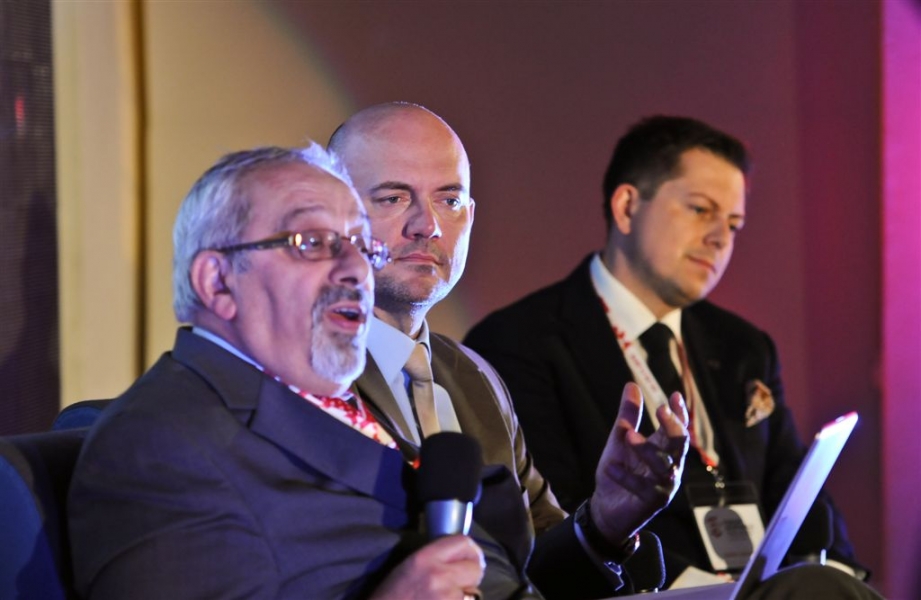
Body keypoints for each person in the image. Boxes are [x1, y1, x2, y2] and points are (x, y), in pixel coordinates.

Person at [68, 145, 524, 599]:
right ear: (217, 282)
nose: (356, 270)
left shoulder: (335, 401)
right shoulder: (159, 449)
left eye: (363, 245)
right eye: (313, 243)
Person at [464, 115, 868, 588]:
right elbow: (547, 523)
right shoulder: (519, 343)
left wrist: (834, 572)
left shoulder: (743, 346)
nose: (720, 238)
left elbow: (796, 492)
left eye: (734, 224)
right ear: (627, 207)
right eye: (700, 210)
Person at [328, 102, 691, 597]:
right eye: (393, 198)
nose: (428, 225)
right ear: (331, 212)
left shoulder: (476, 378)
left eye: (449, 200)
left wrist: (604, 524)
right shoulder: (302, 375)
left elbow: (532, 571)